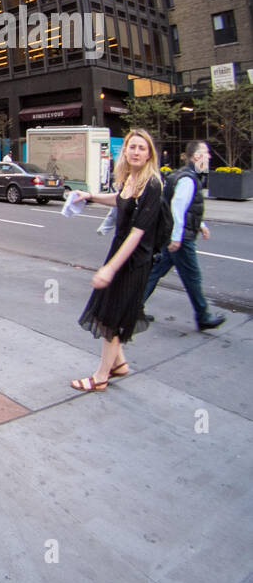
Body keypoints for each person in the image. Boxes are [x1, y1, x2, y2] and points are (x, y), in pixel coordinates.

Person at [67, 128, 164, 392]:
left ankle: (100, 377)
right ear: (125, 151)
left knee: (111, 318)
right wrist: (91, 196)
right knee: (106, 310)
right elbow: (119, 201)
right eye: (132, 147)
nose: (135, 152)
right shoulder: (129, 178)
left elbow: (137, 233)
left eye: (141, 148)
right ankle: (119, 364)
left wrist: (110, 269)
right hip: (119, 254)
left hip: (134, 262)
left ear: (149, 154)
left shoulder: (152, 184)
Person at [141, 141, 225, 331]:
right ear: (196, 157)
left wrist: (200, 225)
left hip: (175, 236)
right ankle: (203, 316)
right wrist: (177, 238)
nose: (209, 157)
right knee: (192, 277)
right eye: (206, 153)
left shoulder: (185, 175)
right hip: (181, 238)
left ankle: (135, 307)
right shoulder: (188, 178)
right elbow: (178, 208)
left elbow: (185, 207)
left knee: (155, 272)